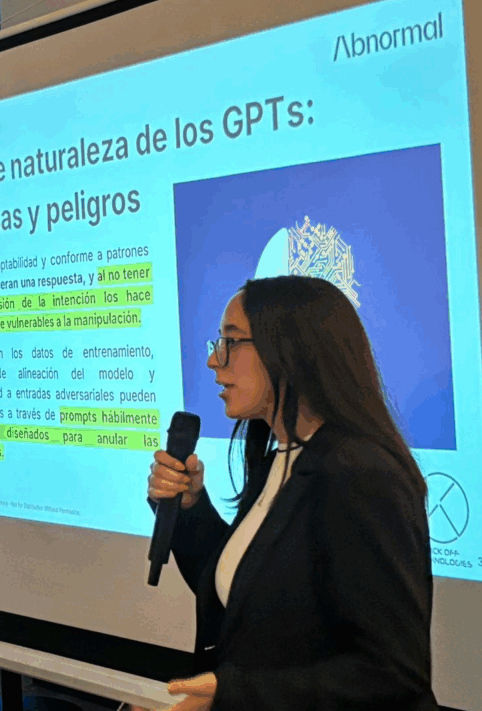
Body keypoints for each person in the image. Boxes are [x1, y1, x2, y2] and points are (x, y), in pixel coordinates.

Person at [147, 275, 437, 711]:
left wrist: (235, 693)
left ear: (289, 351)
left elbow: (390, 676)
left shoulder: (362, 474)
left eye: (230, 341)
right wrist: (190, 508)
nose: (213, 360)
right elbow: (244, 595)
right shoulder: (279, 460)